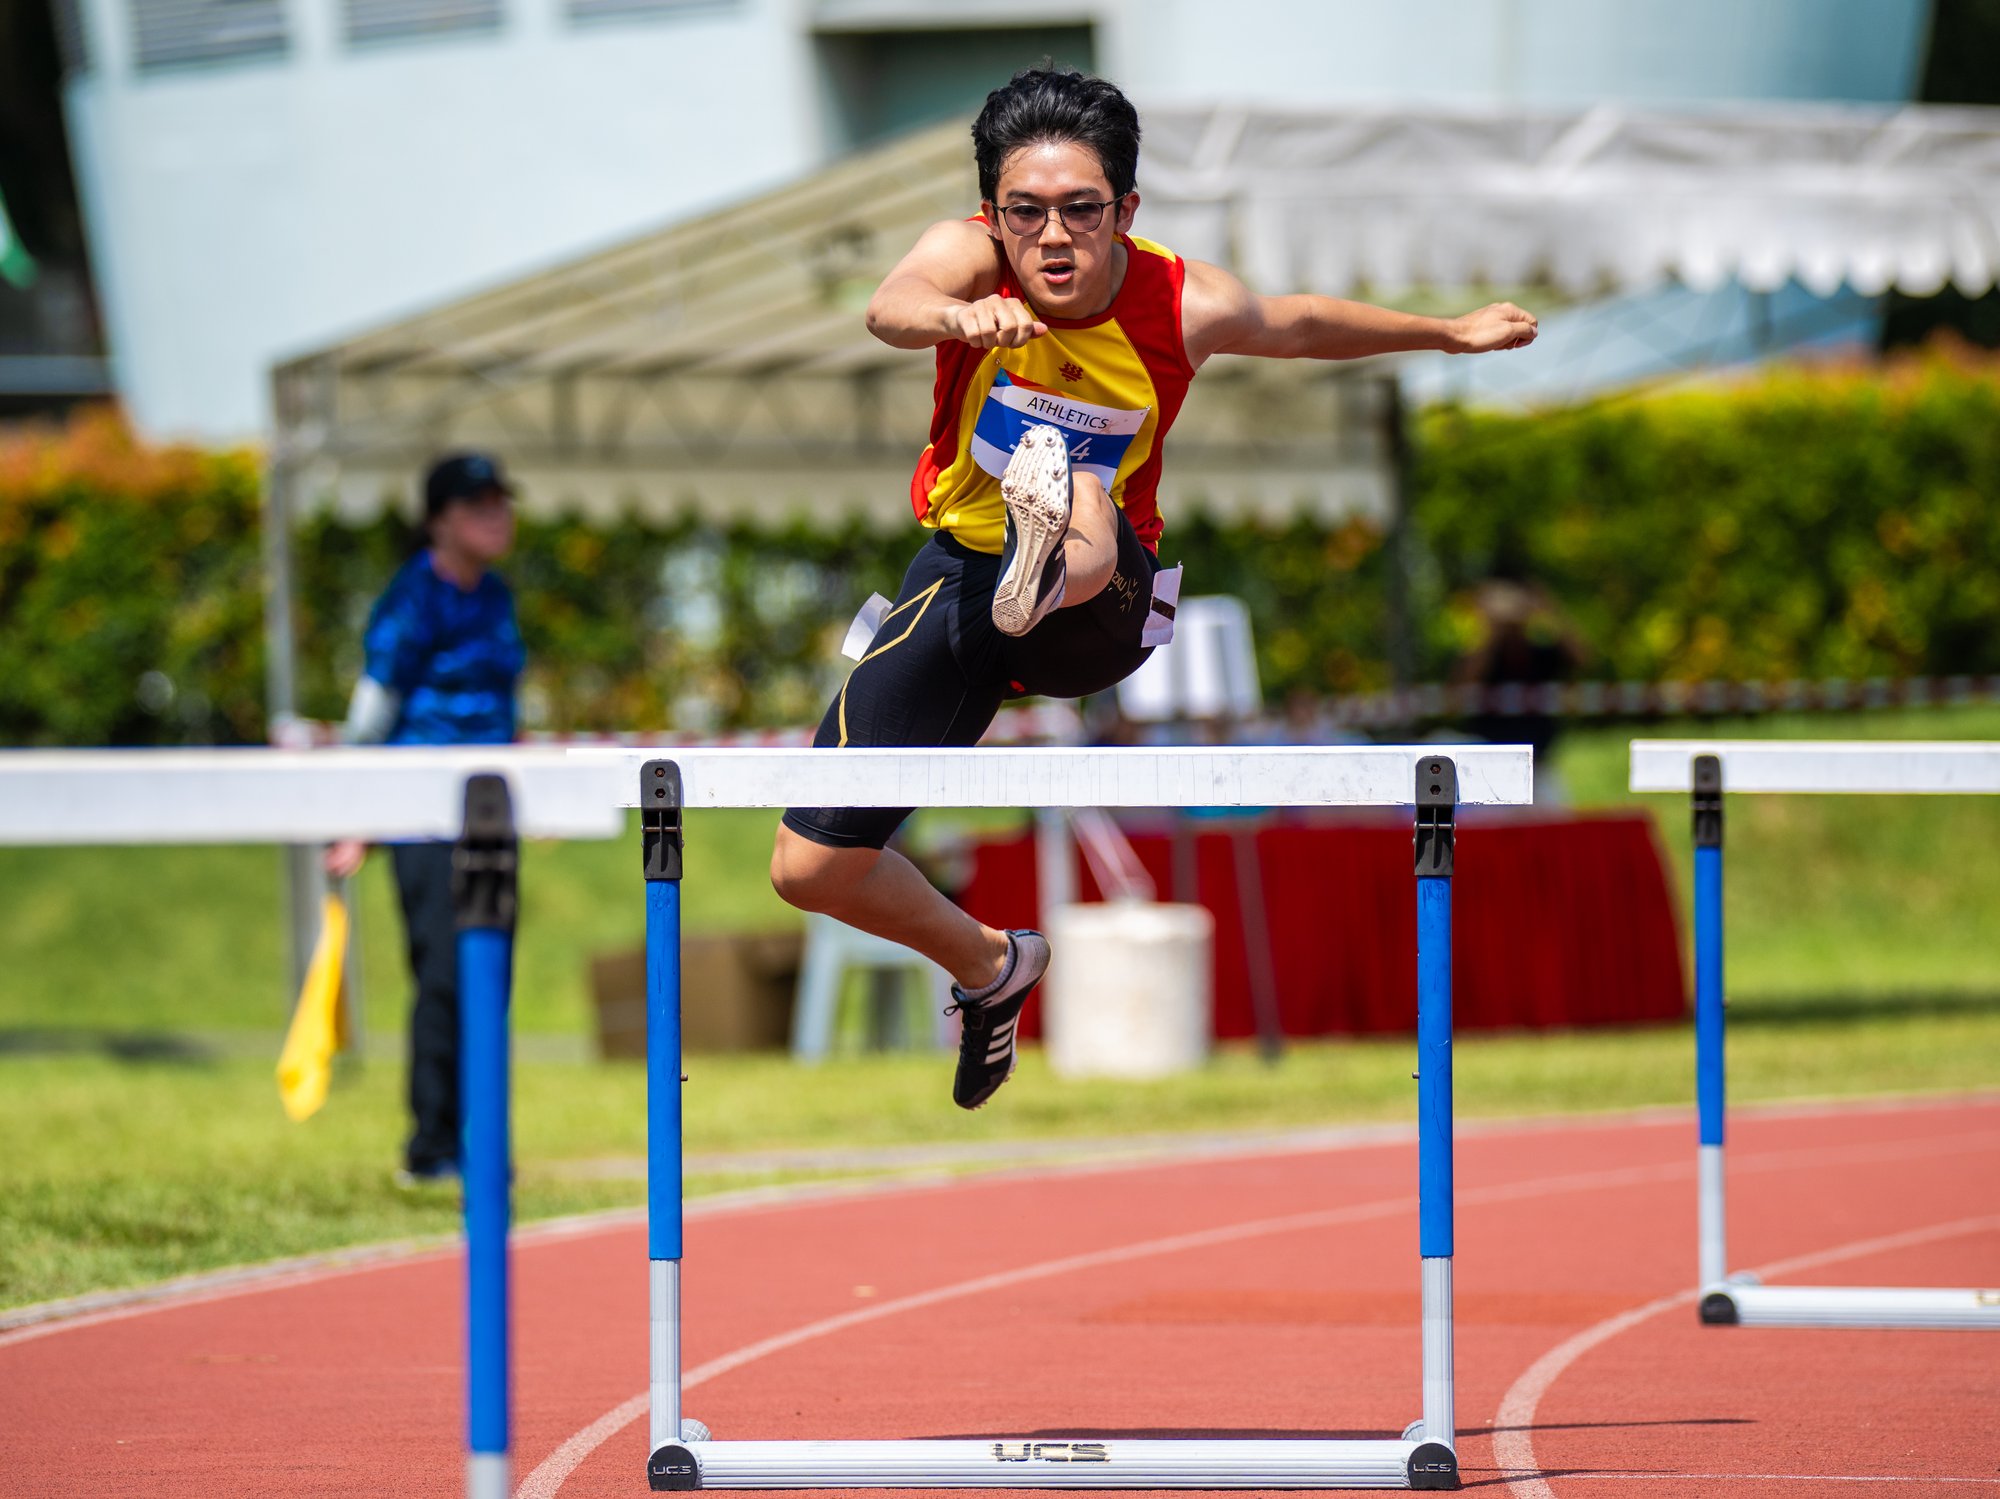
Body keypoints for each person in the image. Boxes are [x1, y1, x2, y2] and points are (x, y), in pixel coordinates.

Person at [771, 67, 1537, 1111]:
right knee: (811, 866)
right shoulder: (972, 255)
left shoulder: (1181, 299)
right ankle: (995, 965)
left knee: (1073, 483)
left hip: (1106, 602)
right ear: (993, 210)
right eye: (1024, 212)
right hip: (959, 577)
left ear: (1123, 211)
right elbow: (888, 304)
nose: (1049, 238)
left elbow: (1301, 322)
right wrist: (958, 320)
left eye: (1079, 212)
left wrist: (1446, 332)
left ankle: (1048, 545)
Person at [324, 452, 525, 1184]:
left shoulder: (496, 594)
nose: (497, 517)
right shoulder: (412, 597)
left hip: (489, 815)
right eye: (479, 506)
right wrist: (355, 812)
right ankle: (431, 1148)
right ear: (440, 520)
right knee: (443, 979)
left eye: (502, 503)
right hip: (418, 816)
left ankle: (484, 1143)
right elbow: (372, 707)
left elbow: (503, 705)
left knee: (490, 979)